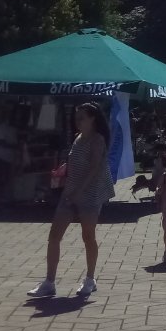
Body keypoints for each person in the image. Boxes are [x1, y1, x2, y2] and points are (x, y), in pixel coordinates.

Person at [27, 102, 115, 298]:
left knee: (88, 236)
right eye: (76, 118)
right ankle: (49, 281)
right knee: (54, 235)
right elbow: (75, 163)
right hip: (69, 192)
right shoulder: (77, 138)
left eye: (82, 117)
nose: (78, 121)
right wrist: (62, 173)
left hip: (89, 194)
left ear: (93, 118)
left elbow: (94, 169)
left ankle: (90, 279)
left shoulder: (98, 140)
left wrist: (80, 191)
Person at [0, 117, 19, 206]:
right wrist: (14, 146)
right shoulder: (1, 128)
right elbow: (0, 142)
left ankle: (3, 201)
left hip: (9, 158)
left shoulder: (14, 129)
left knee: (6, 180)